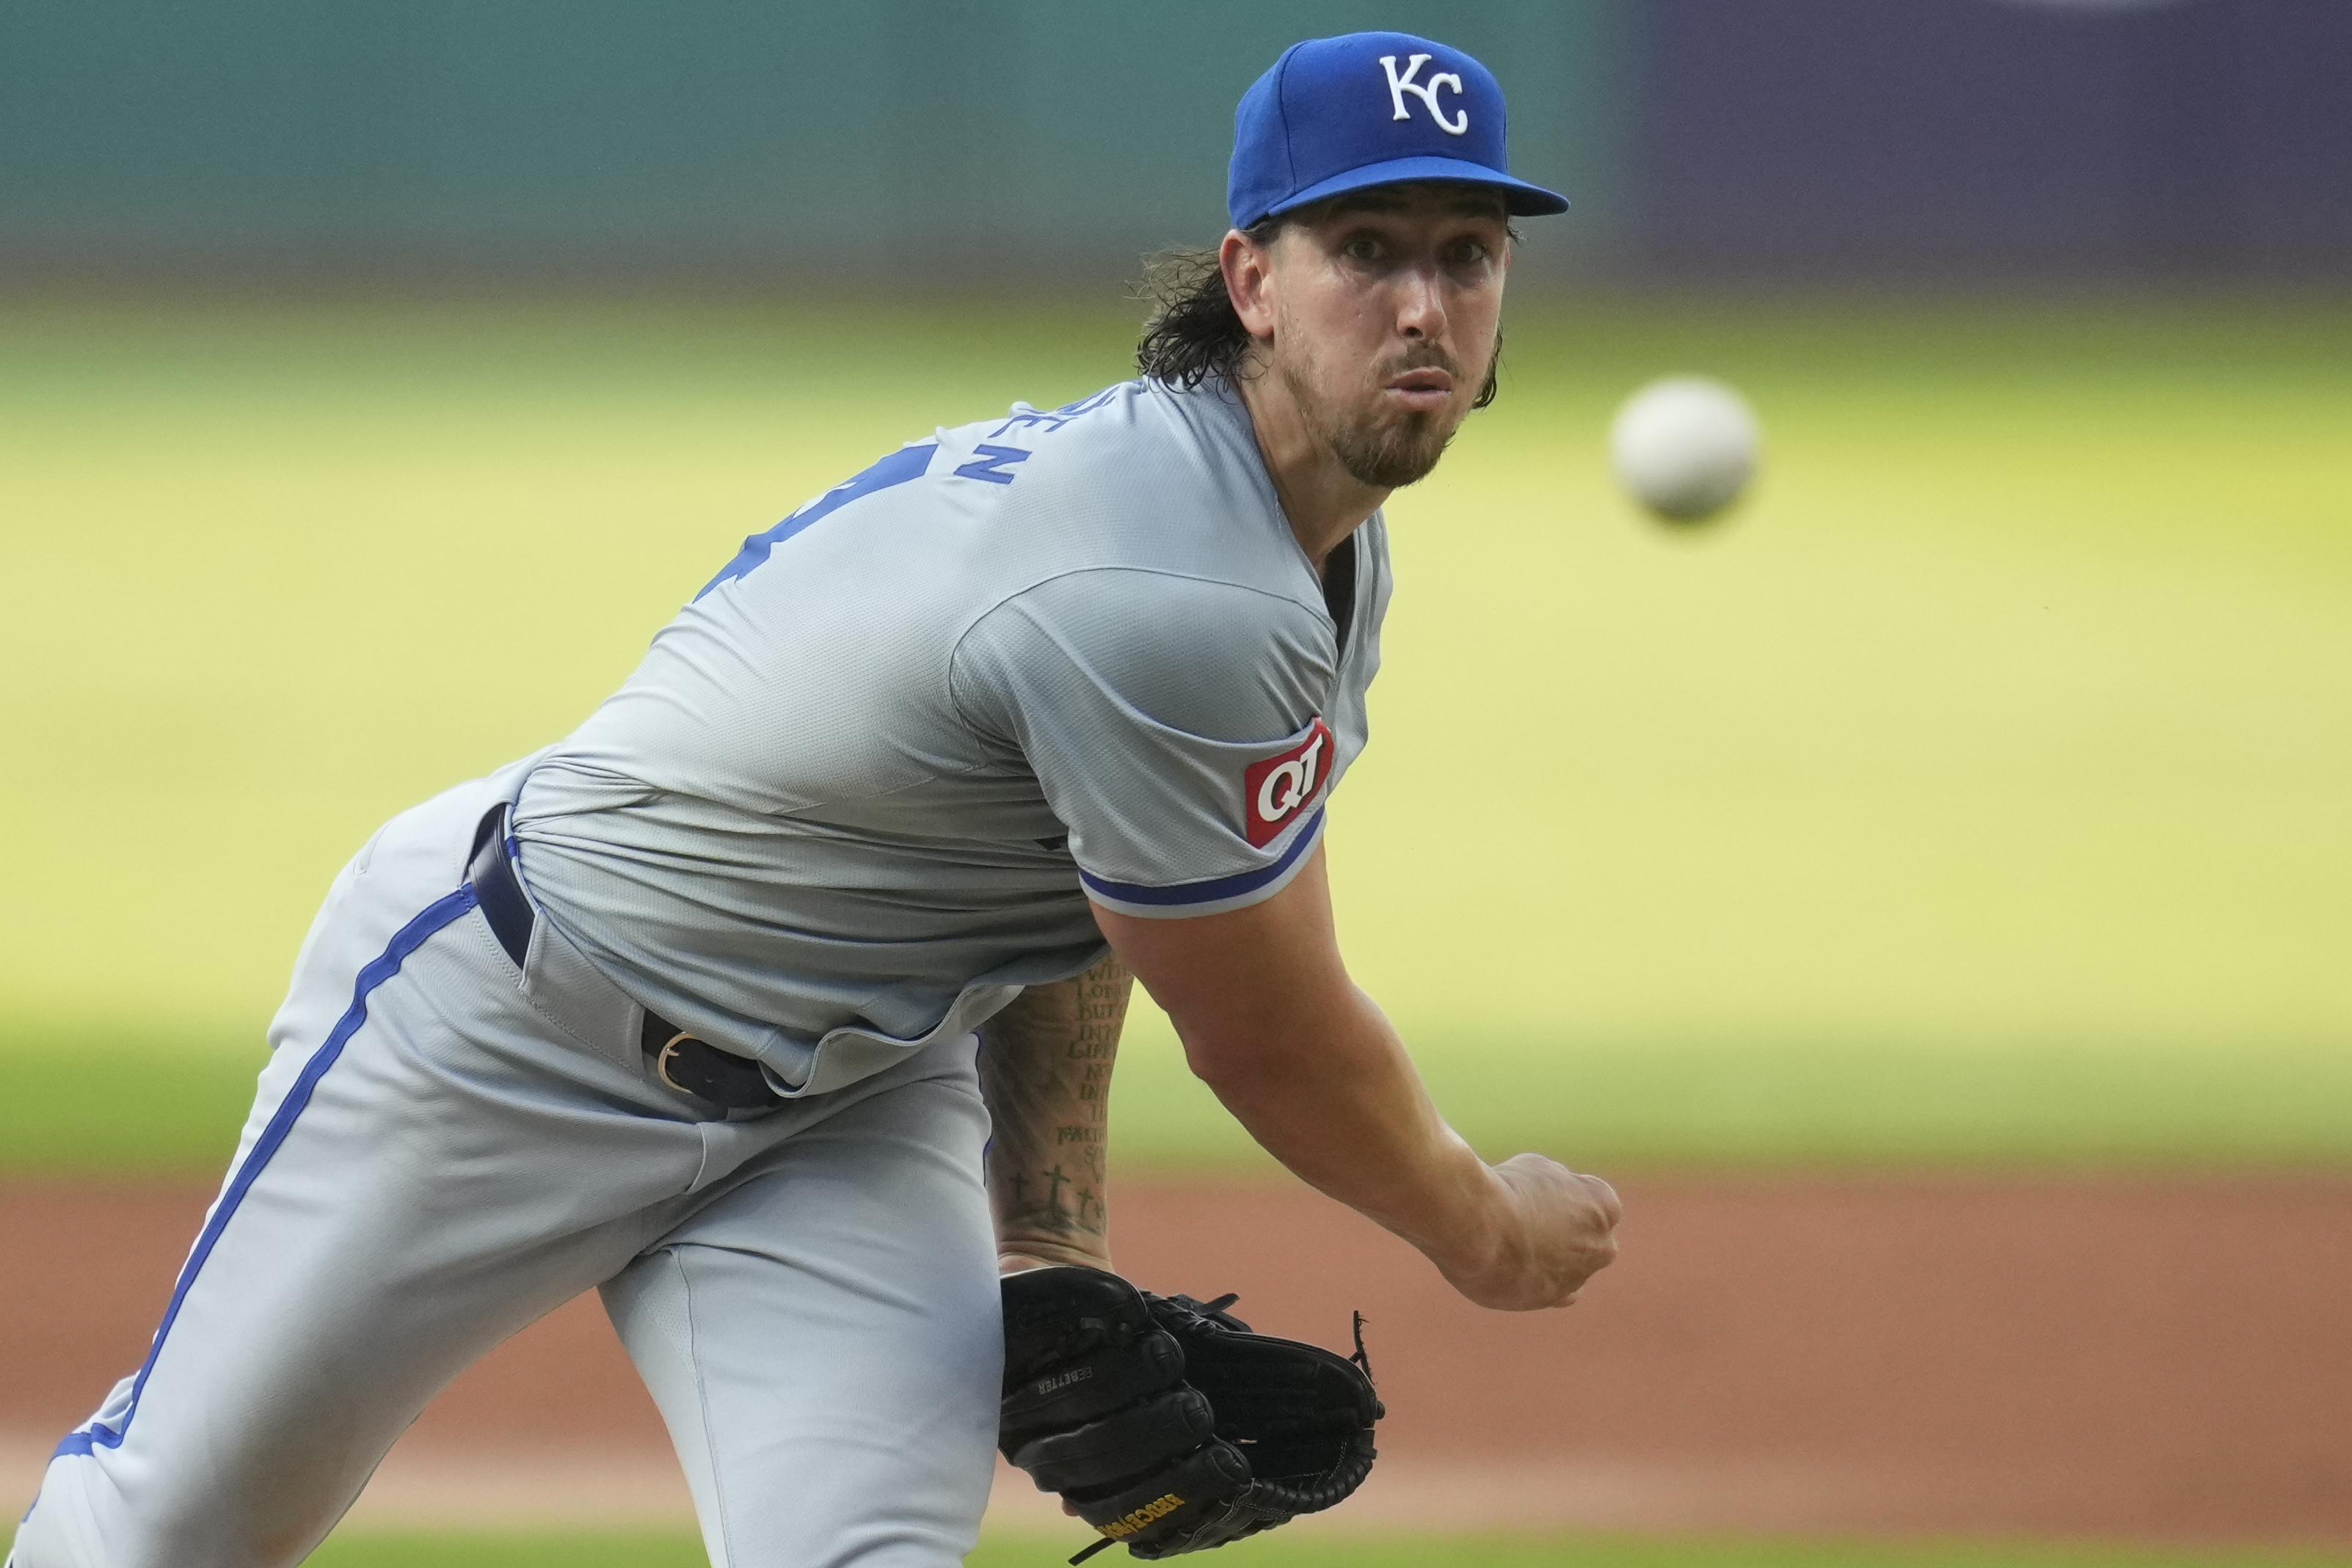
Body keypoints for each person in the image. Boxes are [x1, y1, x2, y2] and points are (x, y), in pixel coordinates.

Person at [10, 29, 1620, 1568]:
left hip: (846, 1104)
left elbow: (1087, 876)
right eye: (1367, 248)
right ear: (1252, 280)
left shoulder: (1310, 535)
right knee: (176, 1531)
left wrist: (1048, 1236)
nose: (1422, 304)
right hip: (509, 1031)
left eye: (1466, 254)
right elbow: (1270, 1031)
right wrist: (1482, 1229)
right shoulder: (1172, 583)